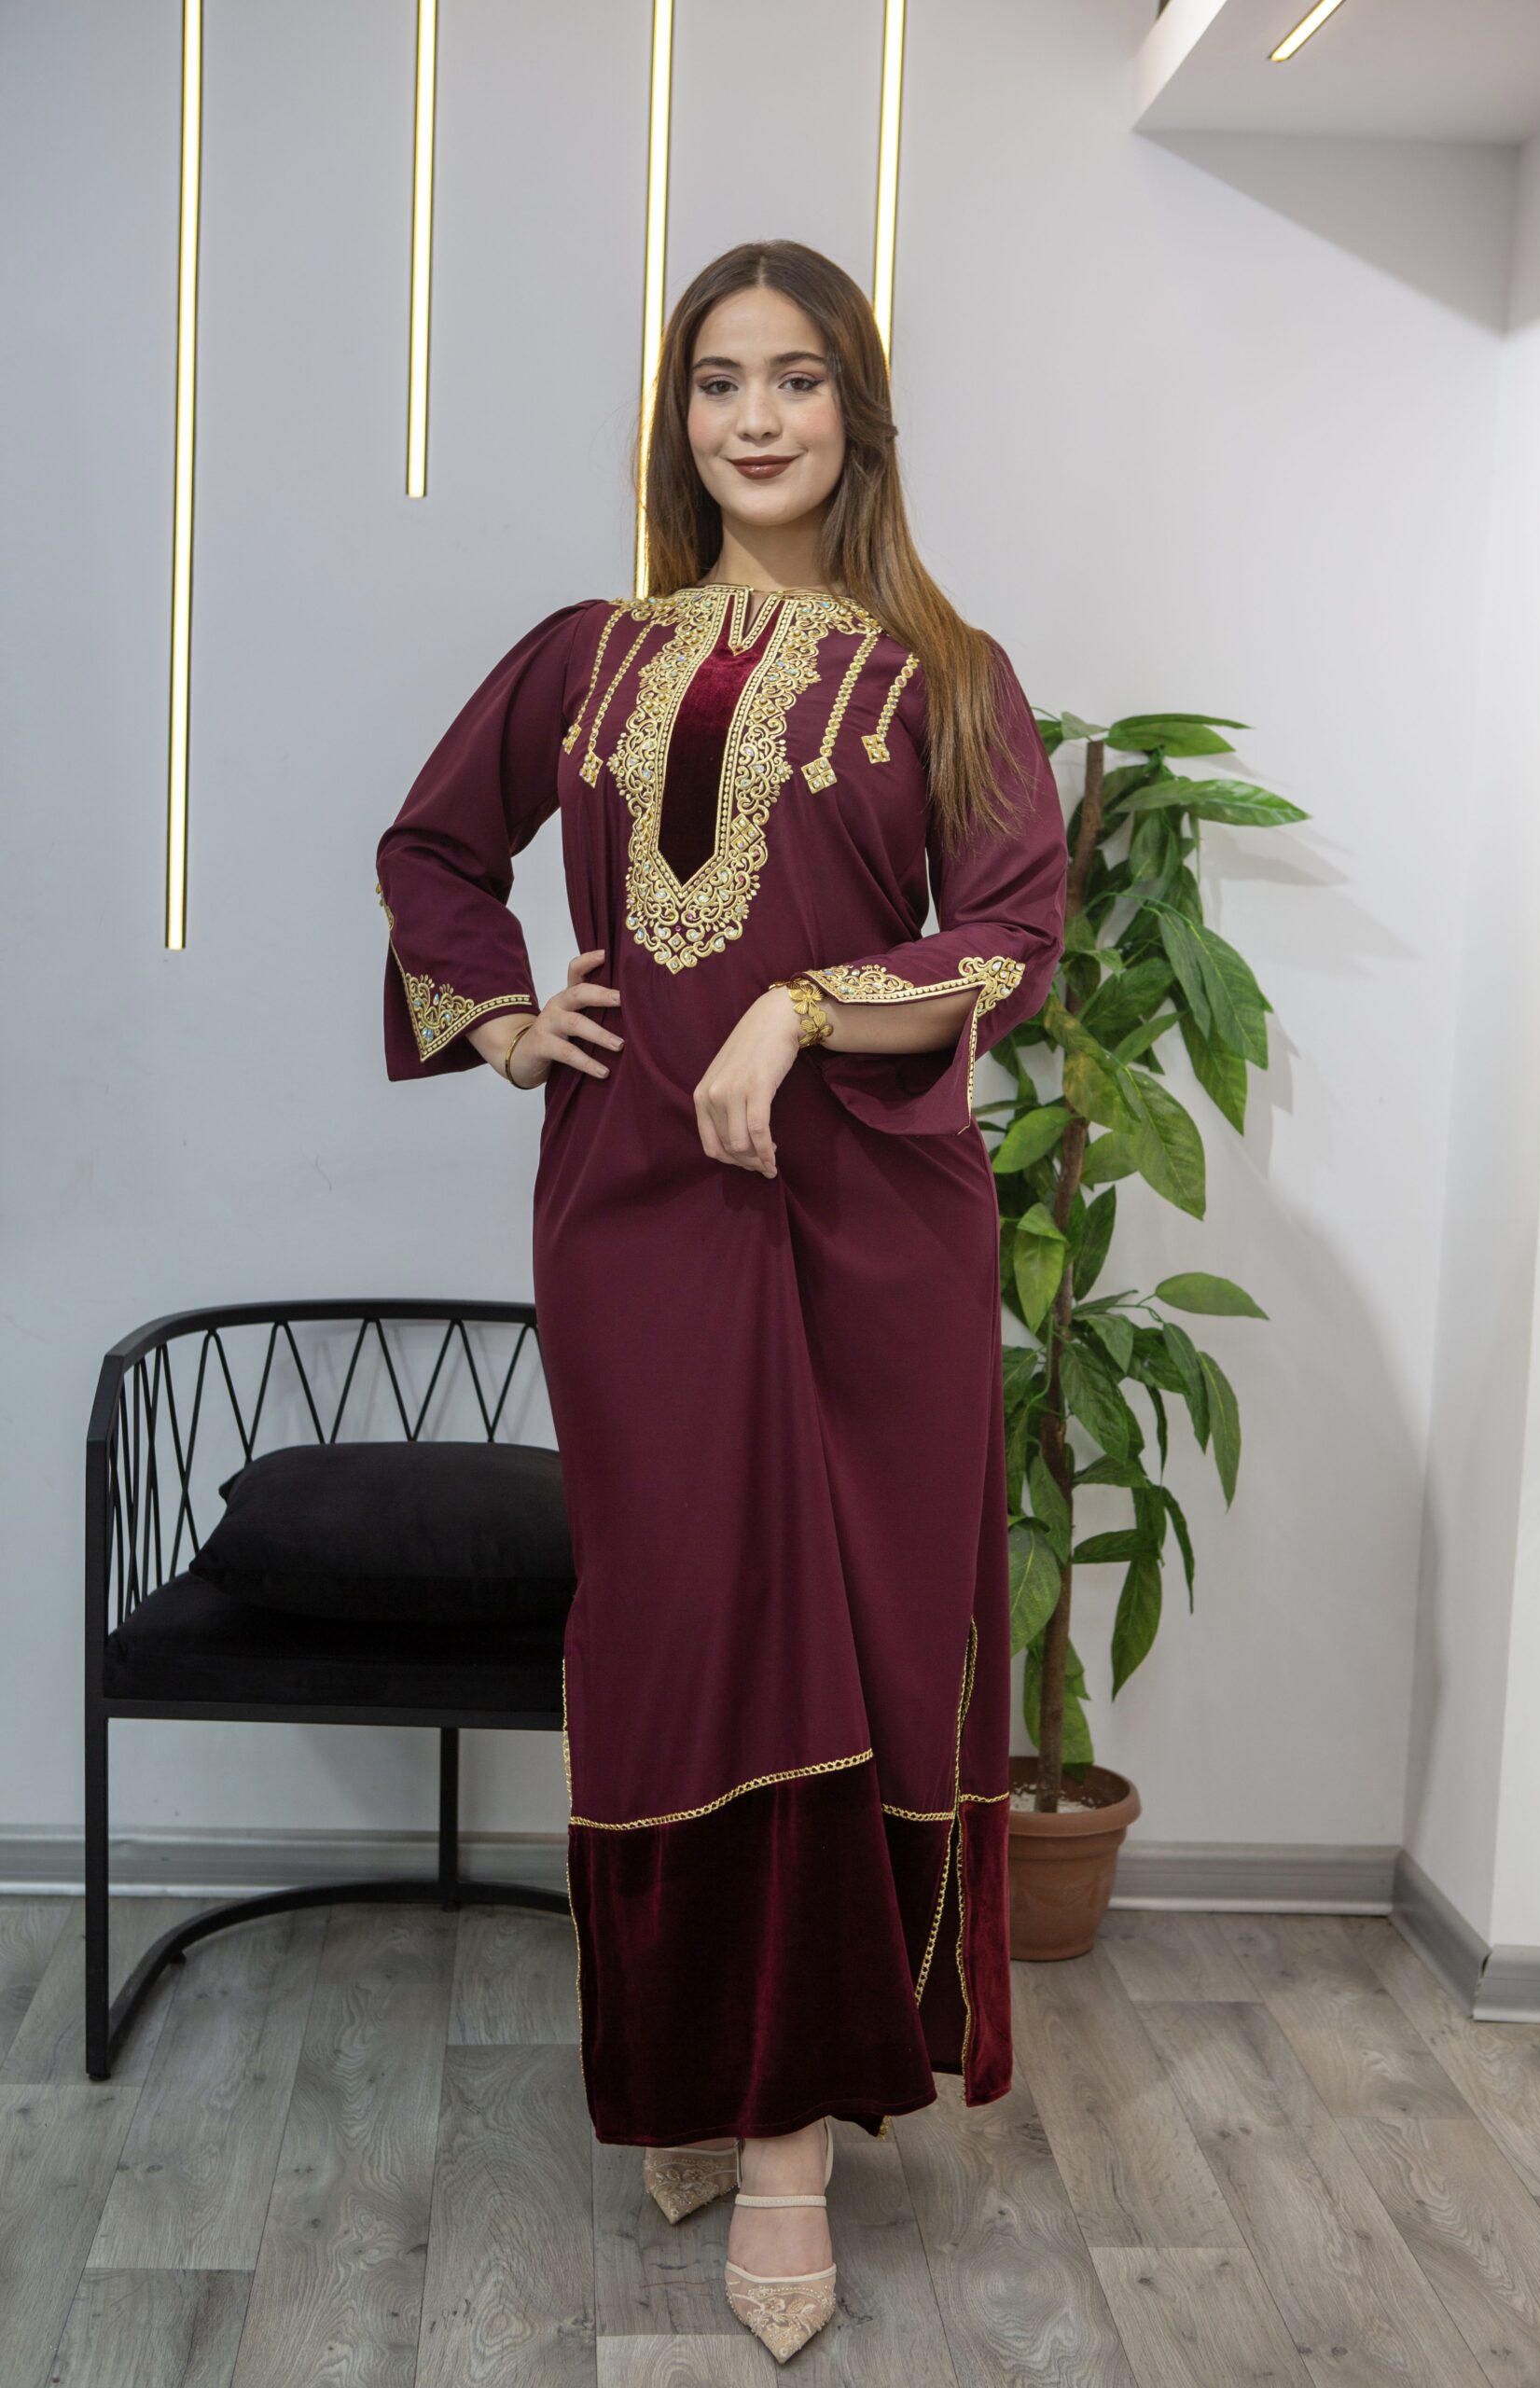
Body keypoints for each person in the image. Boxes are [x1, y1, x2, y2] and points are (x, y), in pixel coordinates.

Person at [374, 237, 1068, 2364]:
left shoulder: (947, 675)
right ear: (674, 418)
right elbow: (432, 853)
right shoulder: (583, 659)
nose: (753, 417)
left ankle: (785, 2143)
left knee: (851, 1637)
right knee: (685, 1637)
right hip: (638, 1221)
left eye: (796, 378)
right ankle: (702, 2055)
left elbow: (1010, 936)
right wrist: (507, 1020)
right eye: (714, 380)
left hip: (873, 1235)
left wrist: (804, 1001)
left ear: (859, 410)